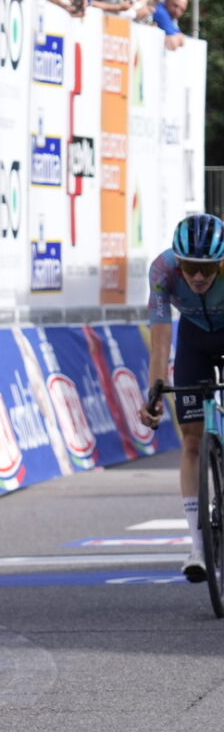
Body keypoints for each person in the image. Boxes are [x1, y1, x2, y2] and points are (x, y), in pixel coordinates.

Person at [139, 214, 224, 582]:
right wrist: (155, 390)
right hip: (193, 340)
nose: (199, 277)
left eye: (207, 268)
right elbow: (160, 341)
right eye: (190, 267)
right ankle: (198, 547)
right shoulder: (162, 271)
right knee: (191, 440)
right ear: (178, 261)